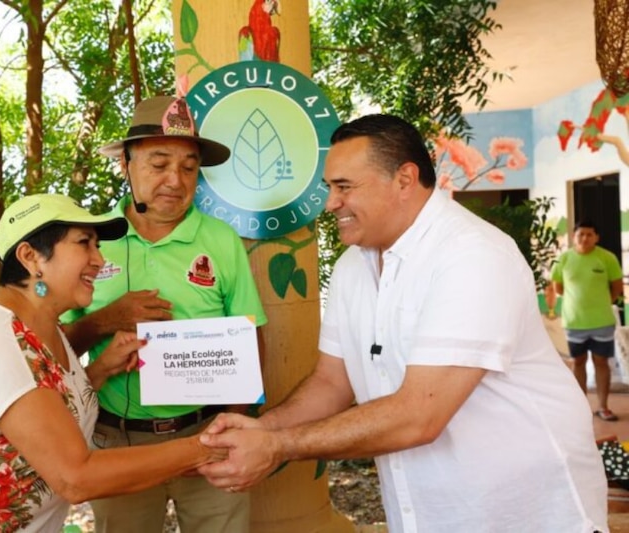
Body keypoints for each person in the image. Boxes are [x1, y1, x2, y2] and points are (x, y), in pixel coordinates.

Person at [198, 114, 608, 531]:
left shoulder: (472, 255)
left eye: (344, 187)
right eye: (329, 188)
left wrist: (277, 446)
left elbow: (419, 415)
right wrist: (262, 428)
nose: (330, 203)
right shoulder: (351, 268)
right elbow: (331, 383)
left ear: (405, 179)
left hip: (527, 514)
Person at [0, 194, 227, 533]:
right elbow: (76, 477)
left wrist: (102, 368)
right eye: (84, 244)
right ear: (31, 257)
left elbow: (48, 410)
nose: (99, 259)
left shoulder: (41, 326)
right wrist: (202, 448)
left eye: (97, 246)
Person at [61, 95, 267, 533]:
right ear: (126, 166)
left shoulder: (220, 239)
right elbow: (52, 347)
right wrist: (105, 319)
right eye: (158, 164)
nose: (175, 180)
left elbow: (250, 337)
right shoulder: (89, 242)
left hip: (206, 432)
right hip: (117, 441)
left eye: (189, 167)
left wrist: (232, 428)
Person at [551, 219, 624, 421]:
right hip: (574, 323)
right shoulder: (563, 259)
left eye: (589, 234)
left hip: (602, 322)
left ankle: (603, 406)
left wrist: (601, 303)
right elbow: (558, 287)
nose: (584, 238)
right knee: (578, 362)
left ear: (596, 237)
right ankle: (582, 407)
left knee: (601, 363)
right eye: (580, 234)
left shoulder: (607, 258)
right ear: (573, 237)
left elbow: (617, 287)